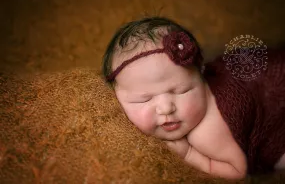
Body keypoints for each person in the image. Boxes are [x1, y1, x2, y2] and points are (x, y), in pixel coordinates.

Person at [101, 16, 285, 179]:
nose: (166, 108)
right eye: (144, 99)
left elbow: (237, 172)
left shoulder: (207, 132)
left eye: (182, 91)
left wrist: (189, 154)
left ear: (202, 76)